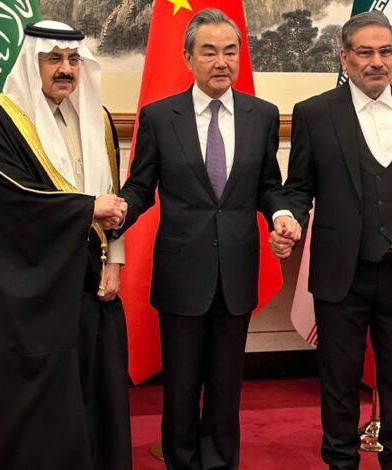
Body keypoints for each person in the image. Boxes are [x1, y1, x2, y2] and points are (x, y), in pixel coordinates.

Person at [113, 8, 299, 470]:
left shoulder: (261, 115)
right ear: (188, 58)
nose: (221, 62)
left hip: (236, 272)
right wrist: (114, 216)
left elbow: (269, 186)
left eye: (230, 52)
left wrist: (281, 214)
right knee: (179, 389)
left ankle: (219, 464)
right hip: (181, 273)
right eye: (210, 52)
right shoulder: (160, 117)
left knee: (225, 387)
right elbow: (140, 188)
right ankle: (181, 461)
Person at [270, 11, 392, 470]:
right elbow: (299, 187)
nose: (377, 62)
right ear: (344, 58)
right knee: (339, 379)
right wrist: (288, 219)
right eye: (365, 52)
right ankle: (340, 461)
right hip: (341, 274)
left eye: (385, 51)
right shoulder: (314, 113)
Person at [0, 20, 131, 470]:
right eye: (53, 58)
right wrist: (87, 209)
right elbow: (11, 199)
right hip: (26, 289)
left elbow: (112, 195)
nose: (66, 69)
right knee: (40, 402)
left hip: (89, 280)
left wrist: (114, 260)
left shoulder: (97, 117)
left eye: (74, 60)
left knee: (94, 387)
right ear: (30, 62)